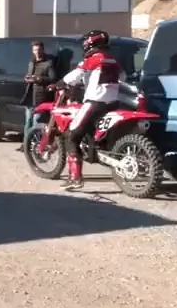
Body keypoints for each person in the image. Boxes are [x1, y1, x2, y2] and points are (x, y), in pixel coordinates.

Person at [58, 30, 122, 190]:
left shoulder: (92, 58)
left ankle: (75, 178)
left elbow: (76, 74)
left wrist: (60, 82)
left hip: (95, 102)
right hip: (113, 102)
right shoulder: (113, 59)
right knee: (90, 130)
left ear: (90, 43)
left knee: (72, 135)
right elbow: (123, 77)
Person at [17, 40, 58, 151]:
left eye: (39, 50)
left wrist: (38, 79)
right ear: (32, 51)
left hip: (40, 97)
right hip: (30, 96)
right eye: (35, 50)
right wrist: (27, 78)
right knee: (27, 122)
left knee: (36, 123)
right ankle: (25, 144)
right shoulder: (31, 62)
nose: (37, 52)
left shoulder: (48, 63)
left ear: (43, 50)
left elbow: (53, 78)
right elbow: (29, 75)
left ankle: (35, 145)